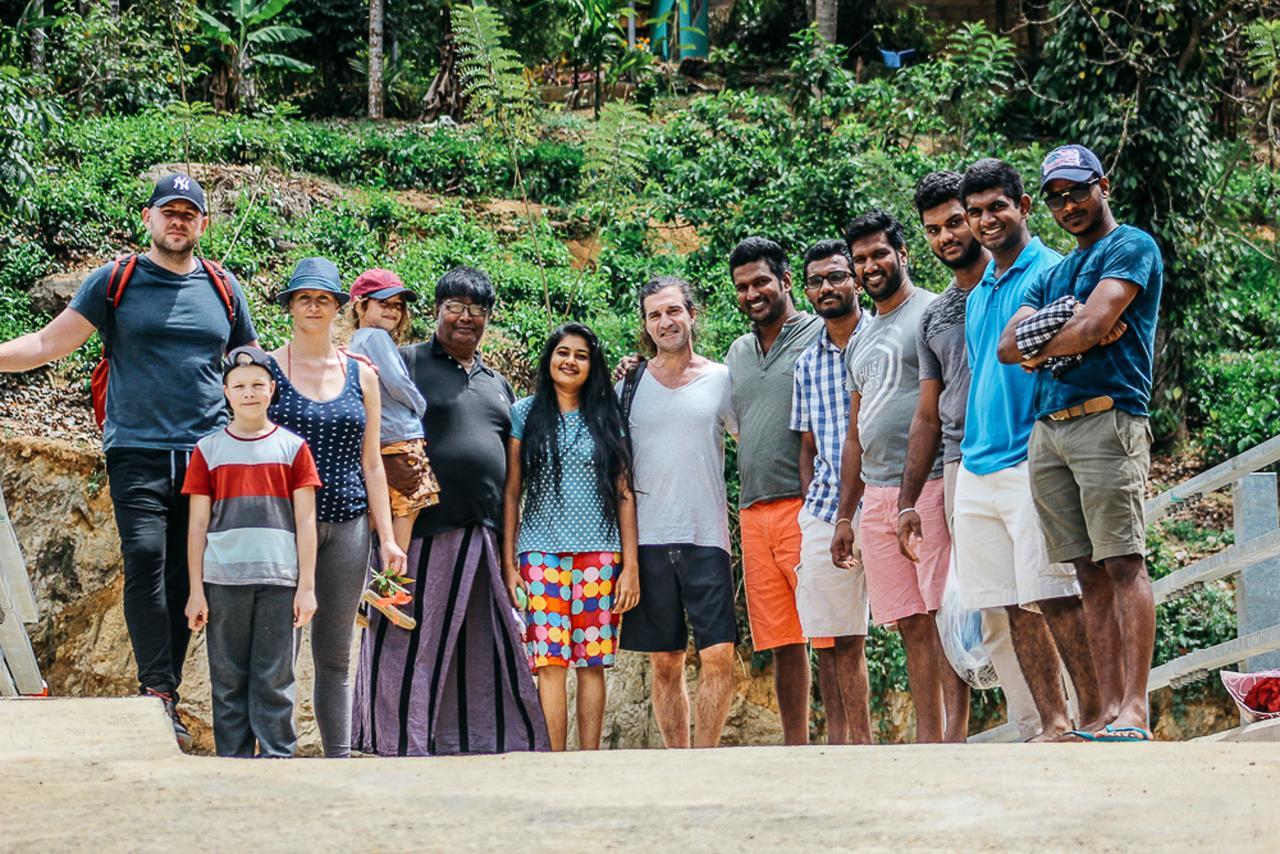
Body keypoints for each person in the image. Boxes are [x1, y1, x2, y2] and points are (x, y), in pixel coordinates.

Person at [0, 172, 257, 744]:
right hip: (136, 447)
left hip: (207, 455)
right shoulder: (114, 281)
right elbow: (48, 342)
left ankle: (162, 694)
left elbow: (250, 362)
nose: (178, 220)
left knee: (186, 572)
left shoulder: (223, 287)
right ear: (149, 218)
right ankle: (157, 691)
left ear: (203, 225)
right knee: (144, 556)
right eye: (169, 210)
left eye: (189, 213)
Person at [999, 144, 1164, 742]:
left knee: (1123, 561)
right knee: (1085, 571)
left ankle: (1135, 709)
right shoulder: (1054, 272)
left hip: (1107, 418)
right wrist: (1073, 329)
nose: (1068, 204)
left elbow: (1099, 324)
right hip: (1050, 429)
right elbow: (1008, 347)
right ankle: (1104, 712)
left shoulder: (1131, 246)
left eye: (1077, 190)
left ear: (1104, 185)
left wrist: (1072, 330)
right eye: (1057, 196)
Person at [352, 266, 549, 756]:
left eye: (476, 310)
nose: (465, 318)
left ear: (488, 319)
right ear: (436, 312)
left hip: (482, 532)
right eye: (454, 307)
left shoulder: (498, 383)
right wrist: (383, 533)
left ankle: (478, 742)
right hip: (414, 532)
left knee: (483, 645)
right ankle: (389, 743)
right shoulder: (405, 361)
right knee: (402, 641)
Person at [949, 159, 1106, 740]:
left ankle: (1095, 716)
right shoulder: (976, 292)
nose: (986, 221)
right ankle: (1054, 724)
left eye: (997, 207)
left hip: (1030, 456)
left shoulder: (1053, 271)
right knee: (1011, 604)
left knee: (1055, 595)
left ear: (1023, 207)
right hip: (977, 464)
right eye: (975, 212)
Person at [896, 169, 1042, 741]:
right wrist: (908, 499)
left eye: (955, 221)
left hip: (1027, 453)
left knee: (1045, 593)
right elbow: (927, 415)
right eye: (933, 229)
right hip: (963, 464)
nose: (947, 237)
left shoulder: (1020, 281)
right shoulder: (936, 315)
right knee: (992, 605)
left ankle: (1078, 720)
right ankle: (1032, 724)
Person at [830, 209, 965, 744]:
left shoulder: (931, 312)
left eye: (879, 254)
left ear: (903, 254)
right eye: (860, 259)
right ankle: (929, 739)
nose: (870, 265)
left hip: (929, 484)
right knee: (909, 622)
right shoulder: (860, 340)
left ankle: (955, 735)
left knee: (941, 608)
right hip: (879, 497)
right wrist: (846, 512)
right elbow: (855, 433)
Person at [264, 257, 406, 759]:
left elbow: (373, 463)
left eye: (324, 298)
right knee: (280, 650)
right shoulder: (267, 368)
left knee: (335, 654)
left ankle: (339, 761)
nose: (314, 306)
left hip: (347, 522)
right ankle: (273, 755)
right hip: (281, 523)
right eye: (304, 297)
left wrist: (386, 537)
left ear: (339, 308)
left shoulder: (360, 374)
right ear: (290, 306)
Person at [502, 322, 641, 751]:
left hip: (600, 554)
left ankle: (589, 759)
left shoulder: (608, 416)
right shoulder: (524, 413)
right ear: (549, 359)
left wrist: (630, 567)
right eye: (563, 352)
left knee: (592, 661)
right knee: (549, 662)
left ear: (592, 363)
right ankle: (554, 759)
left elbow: (624, 493)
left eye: (581, 355)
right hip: (539, 553)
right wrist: (508, 563)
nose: (571, 361)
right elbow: (511, 491)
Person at [724, 236, 838, 747]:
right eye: (742, 287)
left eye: (762, 282)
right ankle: (797, 748)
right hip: (754, 510)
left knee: (829, 633)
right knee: (782, 641)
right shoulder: (738, 352)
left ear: (787, 282)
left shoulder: (821, 333)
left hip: (808, 503)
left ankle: (844, 742)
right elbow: (735, 425)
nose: (752, 294)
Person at [617, 276, 739, 749]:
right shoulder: (629, 382)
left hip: (706, 535)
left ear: (692, 313)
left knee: (720, 655)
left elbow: (749, 442)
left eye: (673, 311)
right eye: (654, 315)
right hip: (646, 539)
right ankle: (678, 759)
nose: (665, 321)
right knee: (664, 660)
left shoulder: (722, 378)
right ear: (645, 325)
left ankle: (705, 759)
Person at [182, 346, 321, 758]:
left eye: (258, 384)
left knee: (275, 678)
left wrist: (307, 587)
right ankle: (233, 763)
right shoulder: (208, 451)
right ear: (225, 392)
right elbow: (197, 525)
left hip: (280, 580)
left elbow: (306, 521)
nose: (249, 392)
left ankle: (279, 759)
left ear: (272, 389)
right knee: (227, 679)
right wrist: (195, 590)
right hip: (222, 580)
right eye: (239, 385)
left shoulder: (293, 448)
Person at [788, 240, 872, 745]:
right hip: (824, 510)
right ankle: (851, 746)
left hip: (884, 498)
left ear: (855, 281)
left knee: (919, 619)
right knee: (835, 636)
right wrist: (813, 503)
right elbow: (807, 445)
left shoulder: (883, 338)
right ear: (807, 290)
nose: (827, 287)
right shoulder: (806, 362)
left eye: (837, 276)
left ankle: (939, 741)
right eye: (817, 281)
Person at [347, 268, 441, 630]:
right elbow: (397, 381)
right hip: (400, 436)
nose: (392, 311)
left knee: (377, 513)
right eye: (383, 303)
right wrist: (420, 404)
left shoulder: (356, 342)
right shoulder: (374, 338)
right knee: (410, 505)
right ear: (360, 306)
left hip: (378, 439)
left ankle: (355, 587)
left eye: (398, 305)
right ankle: (388, 585)